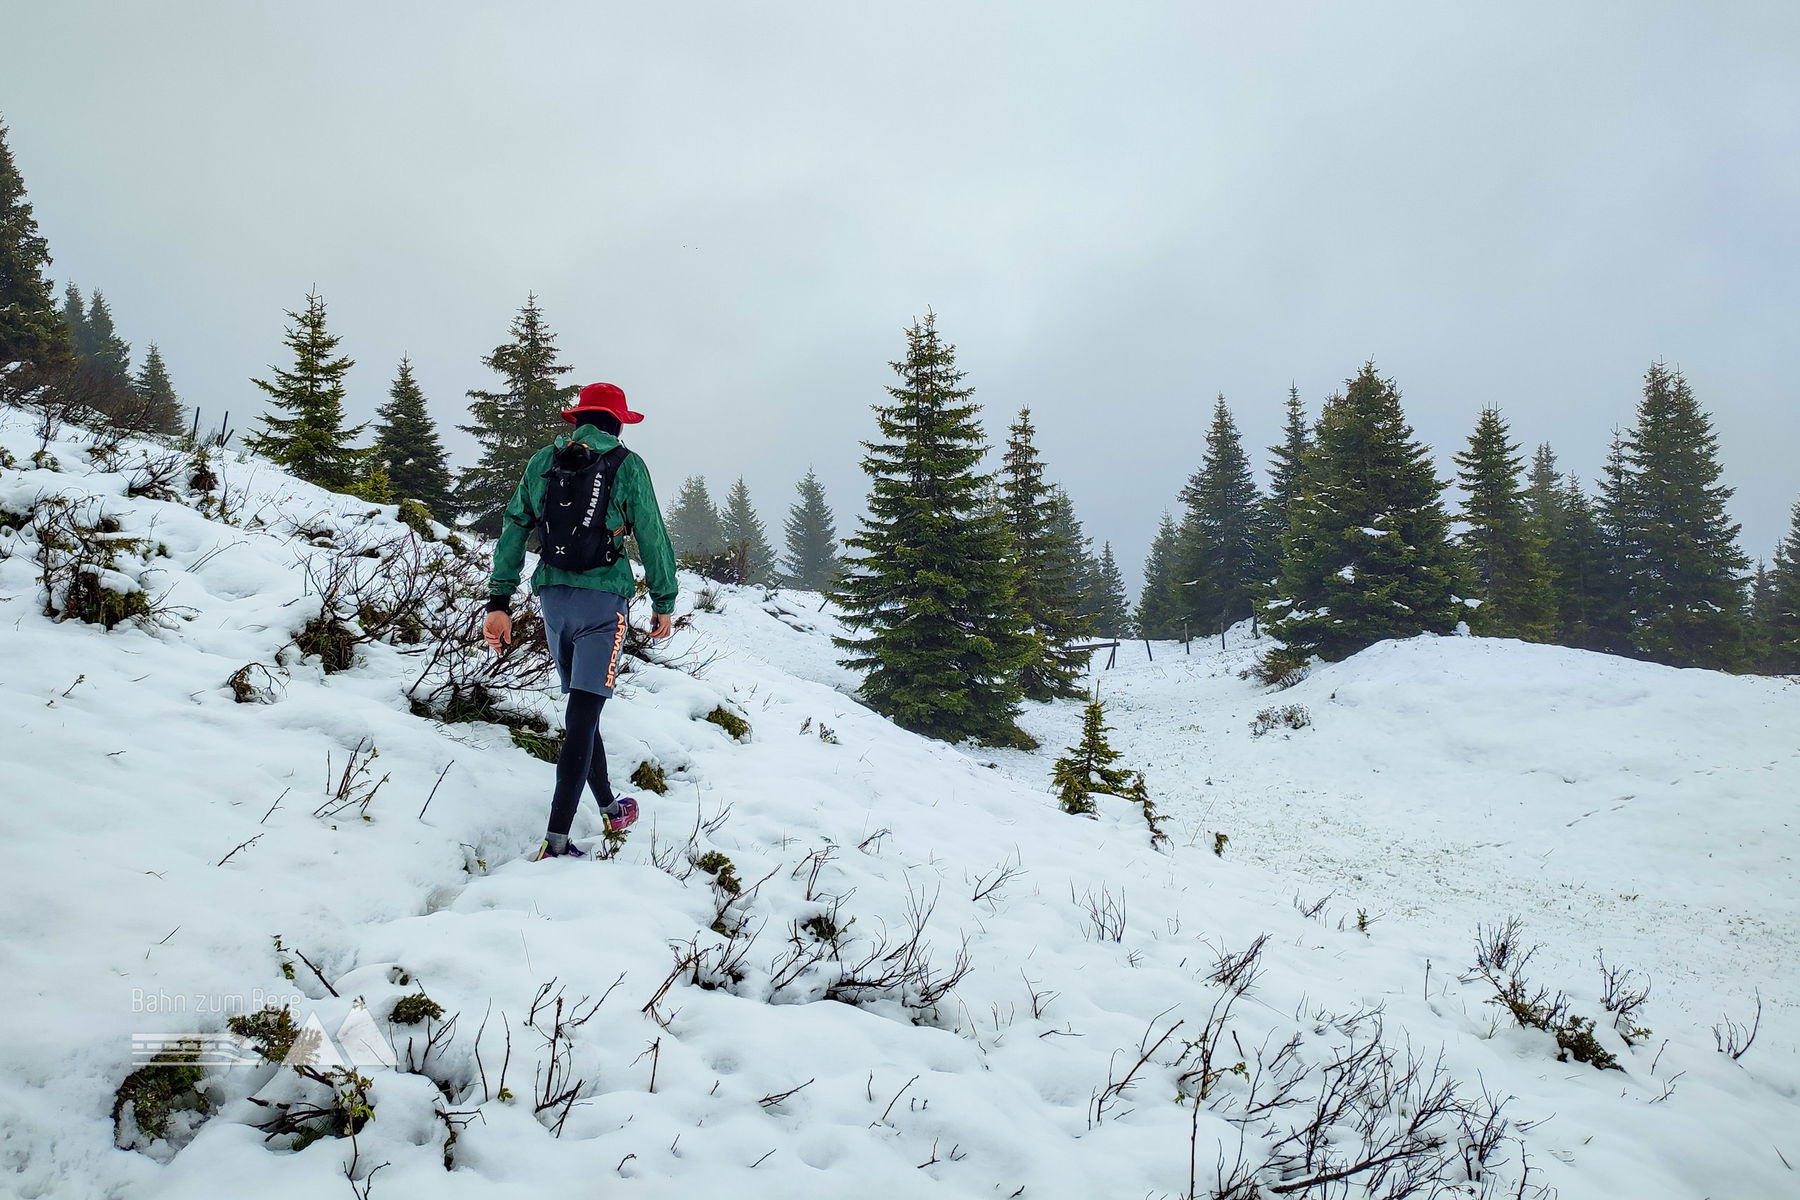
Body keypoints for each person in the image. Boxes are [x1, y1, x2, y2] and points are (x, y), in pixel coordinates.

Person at [481, 381, 678, 861]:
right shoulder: (627, 465)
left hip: (553, 596)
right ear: (618, 423)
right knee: (584, 715)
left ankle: (610, 808)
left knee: (582, 711)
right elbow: (651, 532)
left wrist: (499, 601)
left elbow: (515, 525)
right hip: (603, 602)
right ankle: (556, 840)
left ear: (579, 419)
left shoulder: (543, 462)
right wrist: (664, 599)